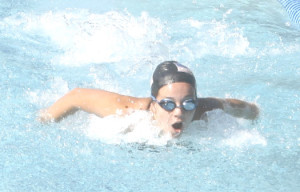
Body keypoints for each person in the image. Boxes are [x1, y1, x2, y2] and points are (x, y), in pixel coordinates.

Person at [39, 61, 259, 137]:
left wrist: (256, 114)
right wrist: (42, 123)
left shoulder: (204, 110)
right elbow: (76, 96)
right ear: (154, 103)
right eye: (168, 104)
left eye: (188, 102)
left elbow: (244, 108)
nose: (179, 112)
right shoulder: (130, 112)